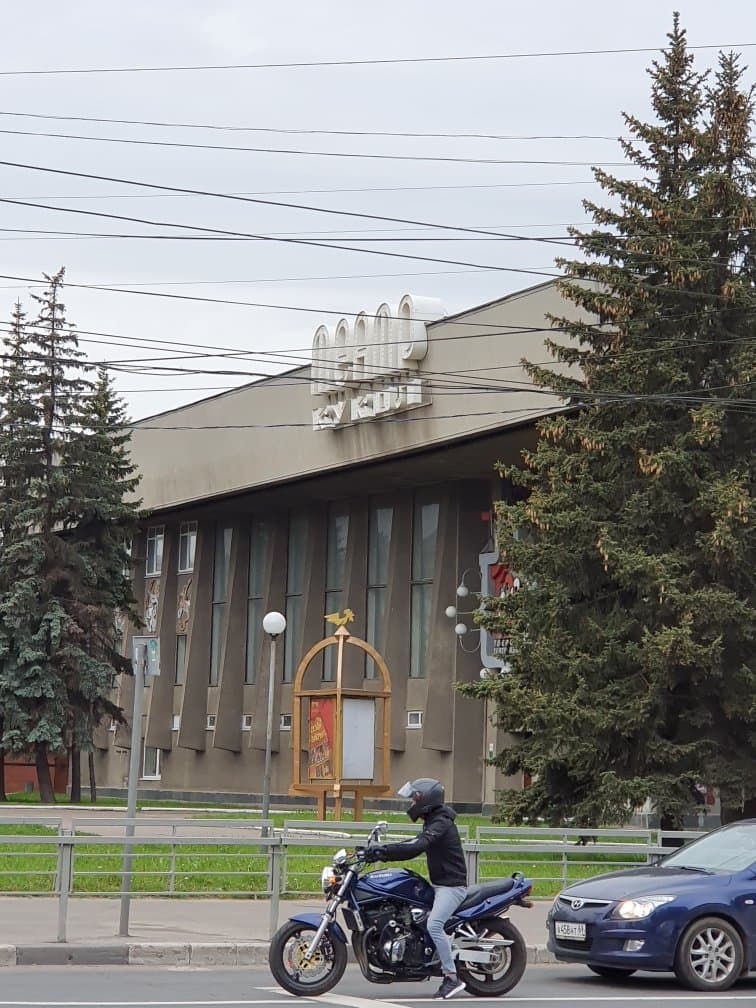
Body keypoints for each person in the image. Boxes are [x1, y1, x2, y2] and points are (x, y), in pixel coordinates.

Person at [366, 778, 468, 1000]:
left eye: (414, 798)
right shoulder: (433, 820)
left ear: (426, 800)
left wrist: (384, 852)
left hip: (451, 887)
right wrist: (380, 850)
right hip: (440, 884)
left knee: (434, 925)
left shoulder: (441, 823)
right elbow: (416, 841)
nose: (411, 802)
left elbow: (418, 846)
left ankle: (452, 977)